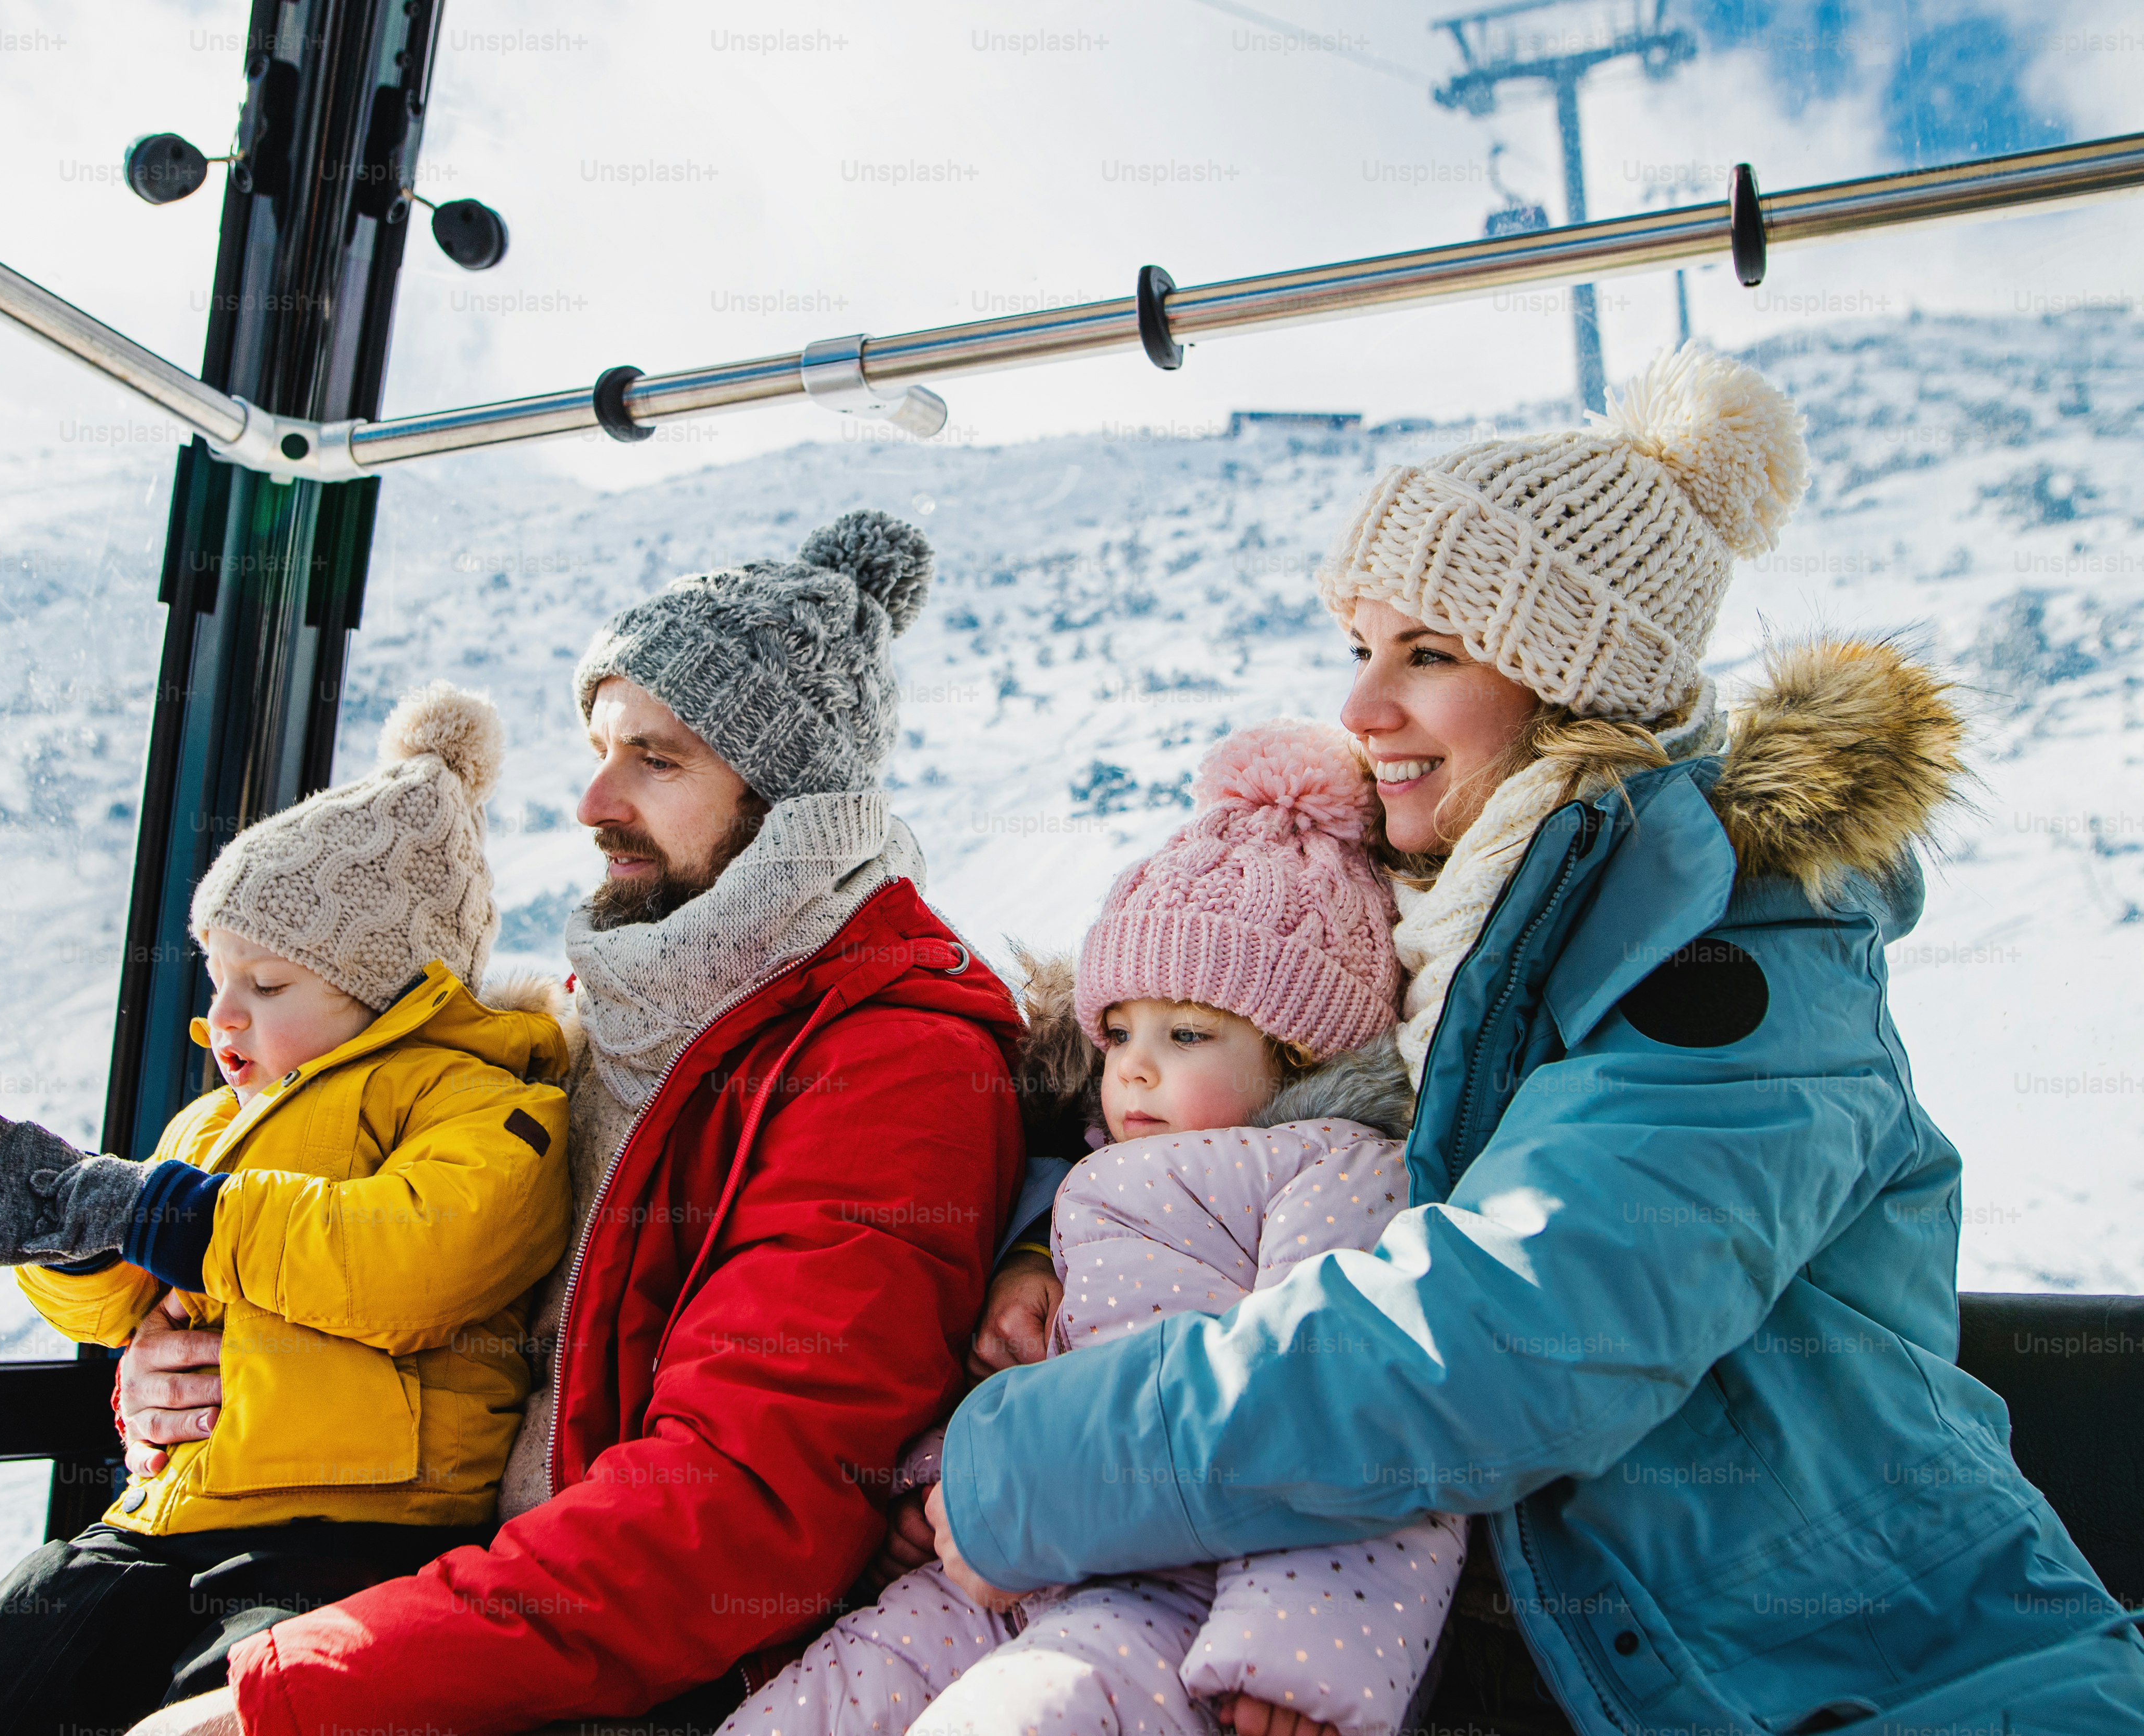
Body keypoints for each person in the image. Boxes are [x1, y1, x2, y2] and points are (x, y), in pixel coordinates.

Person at [926, 346, 2144, 1735]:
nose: (1362, 707)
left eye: (1428, 653)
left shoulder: (1739, 963)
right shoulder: (1439, 947)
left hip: (1877, 1681)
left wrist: (1029, 1463)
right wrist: (1037, 1246)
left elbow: (1511, 1333)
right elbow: (1228, 1113)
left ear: (1574, 686)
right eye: (1360, 648)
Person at [125, 510, 1031, 1736]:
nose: (595, 797)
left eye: (657, 760)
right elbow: (414, 1267)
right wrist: (186, 1371)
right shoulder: (583, 1025)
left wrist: (306, 1694)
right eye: (601, 746)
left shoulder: (891, 1063)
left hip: (649, 1672)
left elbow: (737, 1509)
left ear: (791, 798)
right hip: (419, 1570)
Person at [0, 686, 577, 1736]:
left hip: (352, 1529)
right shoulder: (209, 1130)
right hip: (167, 1523)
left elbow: (418, 1259)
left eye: (265, 983)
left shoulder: (482, 1103)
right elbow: (128, 1305)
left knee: (224, 1702)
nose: (221, 1019)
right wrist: (64, 1233)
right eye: (218, 979)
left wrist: (167, 1212)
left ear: (395, 989)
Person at [718, 718, 1464, 1736]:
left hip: (1176, 1599)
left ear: (1296, 1053)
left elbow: (1356, 1412)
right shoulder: (1080, 1176)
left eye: (1188, 1034)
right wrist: (943, 1492)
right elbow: (1041, 1375)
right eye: (1119, 1032)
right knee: (833, 1692)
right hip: (1003, 1574)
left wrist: (1300, 1659)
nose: (1137, 1068)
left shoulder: (1334, 1169)